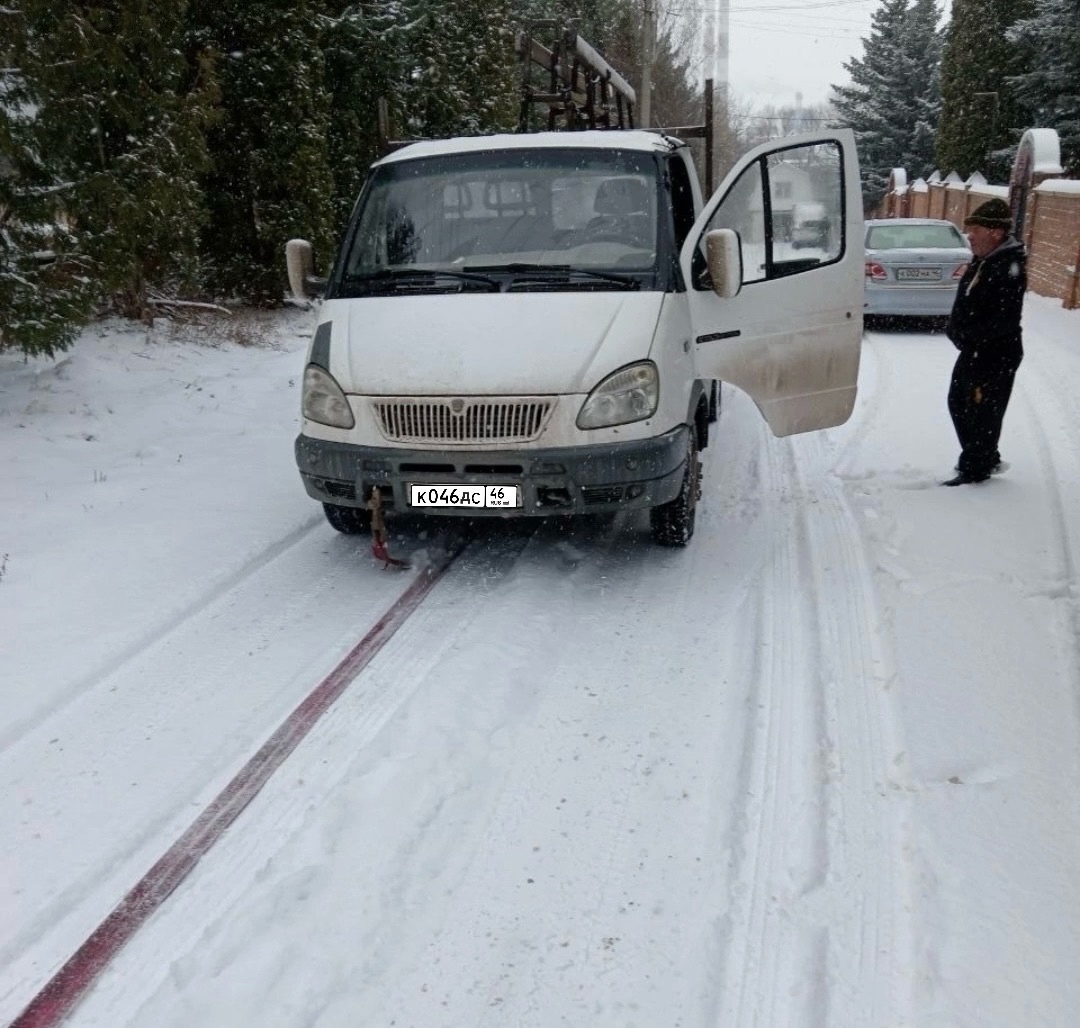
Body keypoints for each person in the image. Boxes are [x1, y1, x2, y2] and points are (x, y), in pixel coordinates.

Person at [942, 197, 1026, 486]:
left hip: (994, 353)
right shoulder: (985, 259)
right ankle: (985, 456)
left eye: (975, 230)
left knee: (981, 411)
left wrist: (966, 334)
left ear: (995, 232)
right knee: (959, 402)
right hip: (976, 350)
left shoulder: (1008, 266)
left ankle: (976, 469)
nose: (969, 236)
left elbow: (1003, 320)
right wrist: (956, 328)